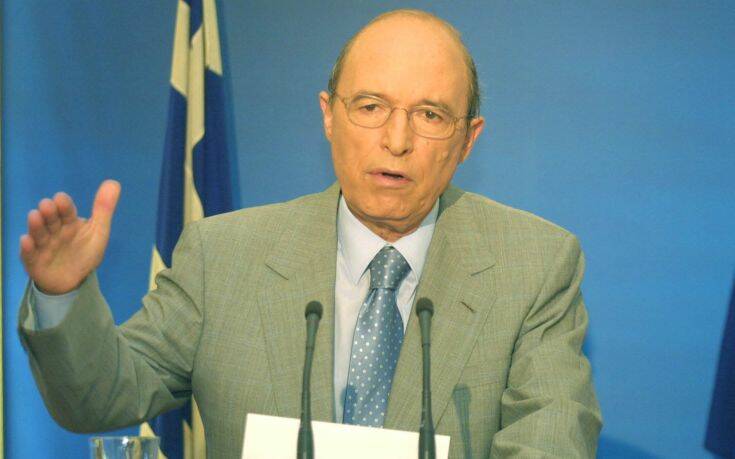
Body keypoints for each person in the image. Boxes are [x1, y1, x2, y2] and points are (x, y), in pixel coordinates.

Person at [18, 9, 601, 458]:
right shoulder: (223, 257)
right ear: (328, 115)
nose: (397, 140)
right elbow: (99, 398)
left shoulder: (534, 266)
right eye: (370, 106)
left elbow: (551, 443)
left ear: (468, 139)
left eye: (430, 115)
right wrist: (61, 295)